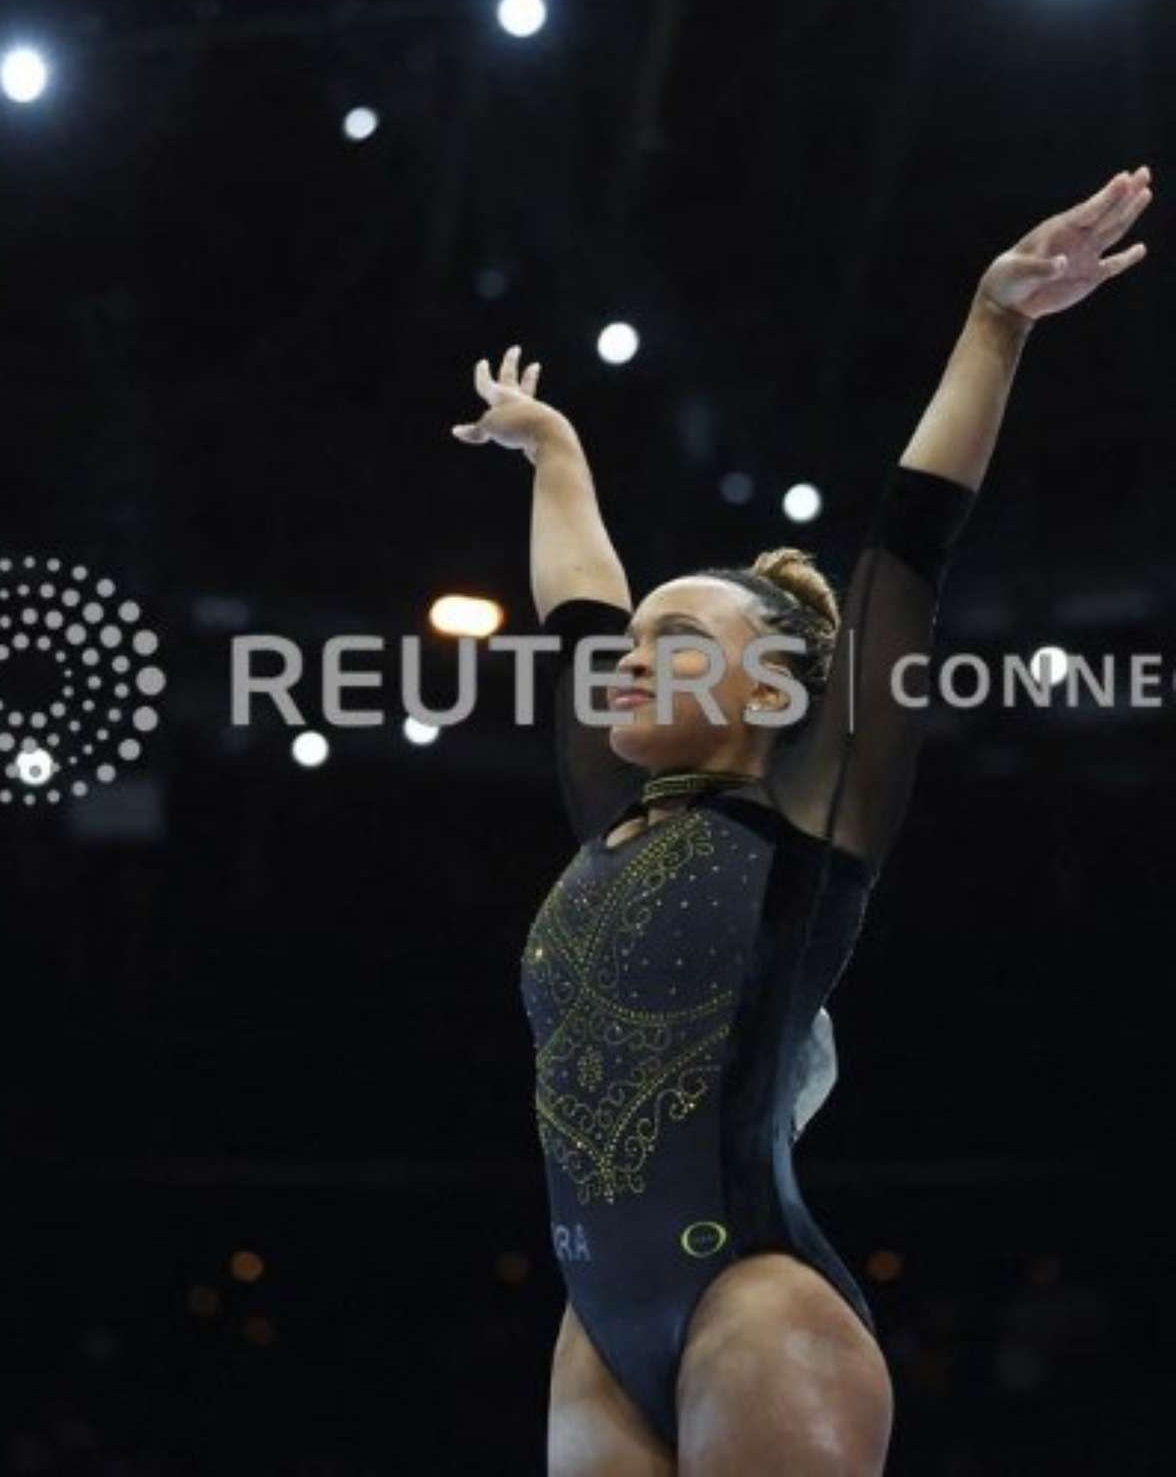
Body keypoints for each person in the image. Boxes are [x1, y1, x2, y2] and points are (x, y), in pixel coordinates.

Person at [451, 166, 1151, 1476]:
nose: (631, 661)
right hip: (596, 1327)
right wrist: (554, 449)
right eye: (639, 643)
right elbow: (582, 603)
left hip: (753, 1308)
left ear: (775, 689)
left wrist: (995, 324)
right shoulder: (612, 808)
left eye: (680, 640)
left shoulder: (808, 826)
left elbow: (908, 549)